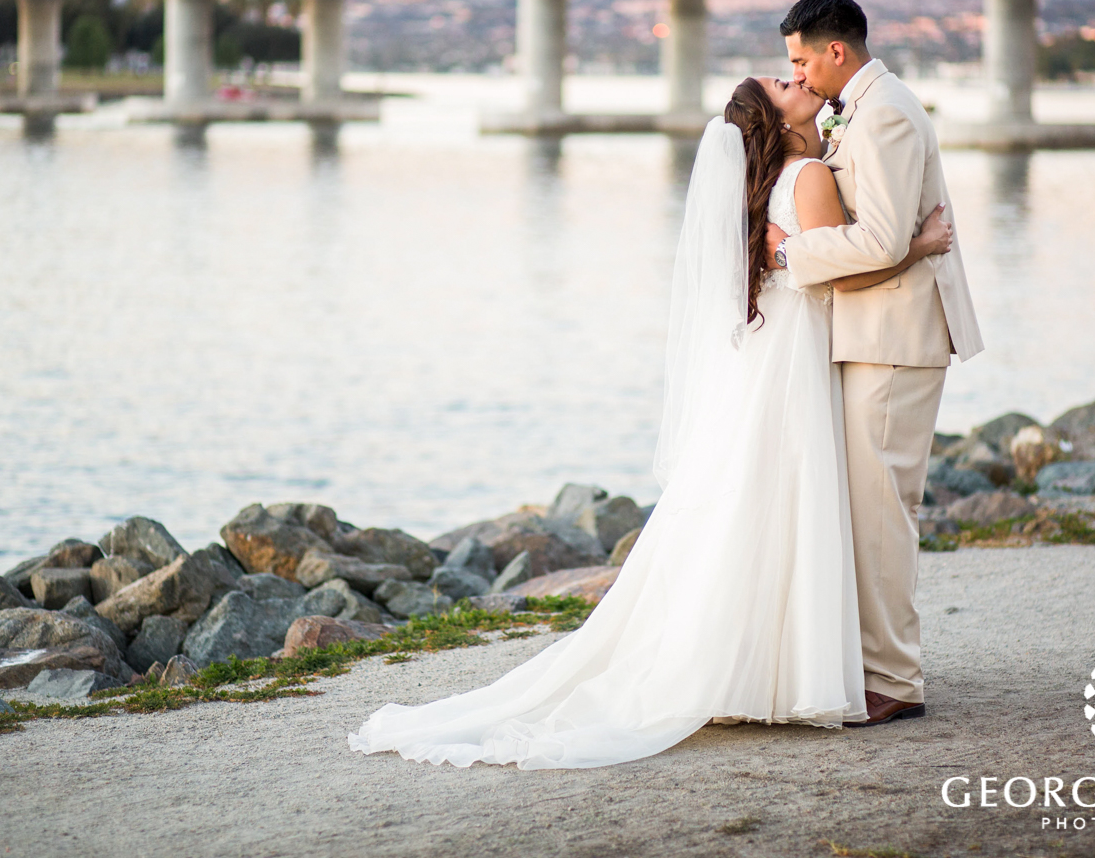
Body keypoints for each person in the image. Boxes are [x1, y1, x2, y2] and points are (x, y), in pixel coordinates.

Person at [346, 66, 954, 769]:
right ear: (779, 122)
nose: (797, 79)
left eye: (795, 72)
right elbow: (844, 272)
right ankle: (785, 668)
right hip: (795, 354)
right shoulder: (811, 177)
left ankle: (741, 661)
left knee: (746, 503)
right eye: (784, 85)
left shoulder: (767, 186)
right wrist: (920, 245)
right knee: (789, 498)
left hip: (762, 354)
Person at [767, 0, 983, 726]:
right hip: (877, 333)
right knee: (872, 509)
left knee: (880, 513)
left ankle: (894, 678)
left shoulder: (885, 111)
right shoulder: (862, 109)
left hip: (895, 338)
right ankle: (878, 665)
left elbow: (884, 240)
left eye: (799, 59)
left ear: (837, 51)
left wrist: (788, 251)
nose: (795, 73)